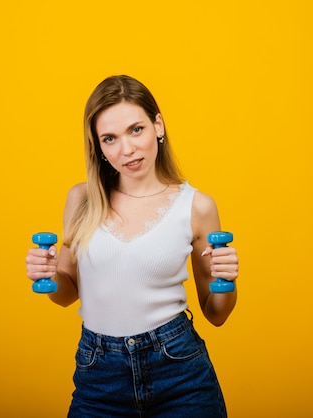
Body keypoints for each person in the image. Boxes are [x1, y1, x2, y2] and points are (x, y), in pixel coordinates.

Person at [25, 75, 239, 417]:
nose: (126, 150)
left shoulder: (197, 207)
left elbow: (216, 313)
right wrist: (48, 275)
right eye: (110, 138)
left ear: (158, 125)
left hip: (179, 371)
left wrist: (226, 281)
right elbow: (66, 294)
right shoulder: (80, 200)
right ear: (98, 146)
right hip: (99, 374)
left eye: (135, 129)